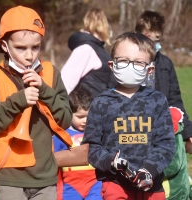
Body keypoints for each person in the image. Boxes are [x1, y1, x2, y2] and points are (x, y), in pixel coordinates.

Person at [0, 5, 73, 200]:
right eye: (20, 48)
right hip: (7, 176)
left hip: (44, 177)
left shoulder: (51, 72)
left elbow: (66, 120)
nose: (29, 55)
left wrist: (45, 90)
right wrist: (18, 101)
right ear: (4, 46)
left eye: (35, 47)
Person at [82, 32, 175, 200]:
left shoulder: (157, 101)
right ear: (112, 65)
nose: (130, 66)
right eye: (123, 60)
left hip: (152, 186)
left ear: (150, 69)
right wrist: (112, 162)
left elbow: (166, 145)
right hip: (115, 184)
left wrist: (148, 170)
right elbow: (92, 148)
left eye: (139, 62)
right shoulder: (101, 103)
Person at [135, 10, 192, 153]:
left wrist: (188, 133)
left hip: (160, 130)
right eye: (147, 40)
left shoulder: (166, 64)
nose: (152, 45)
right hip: (133, 129)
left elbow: (175, 100)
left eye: (156, 41)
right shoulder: (126, 63)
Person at [53, 85, 102, 200]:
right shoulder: (62, 135)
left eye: (88, 116)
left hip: (94, 182)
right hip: (70, 185)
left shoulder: (97, 132)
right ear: (70, 114)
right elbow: (54, 159)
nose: (85, 121)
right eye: (80, 117)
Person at [61, 8, 116, 97]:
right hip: (85, 108)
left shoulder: (98, 49)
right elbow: (65, 81)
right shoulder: (86, 49)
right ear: (103, 24)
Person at [162, 107, 190, 200]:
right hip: (180, 188)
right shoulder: (177, 135)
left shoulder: (171, 137)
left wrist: (149, 170)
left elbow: (173, 165)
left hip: (171, 192)